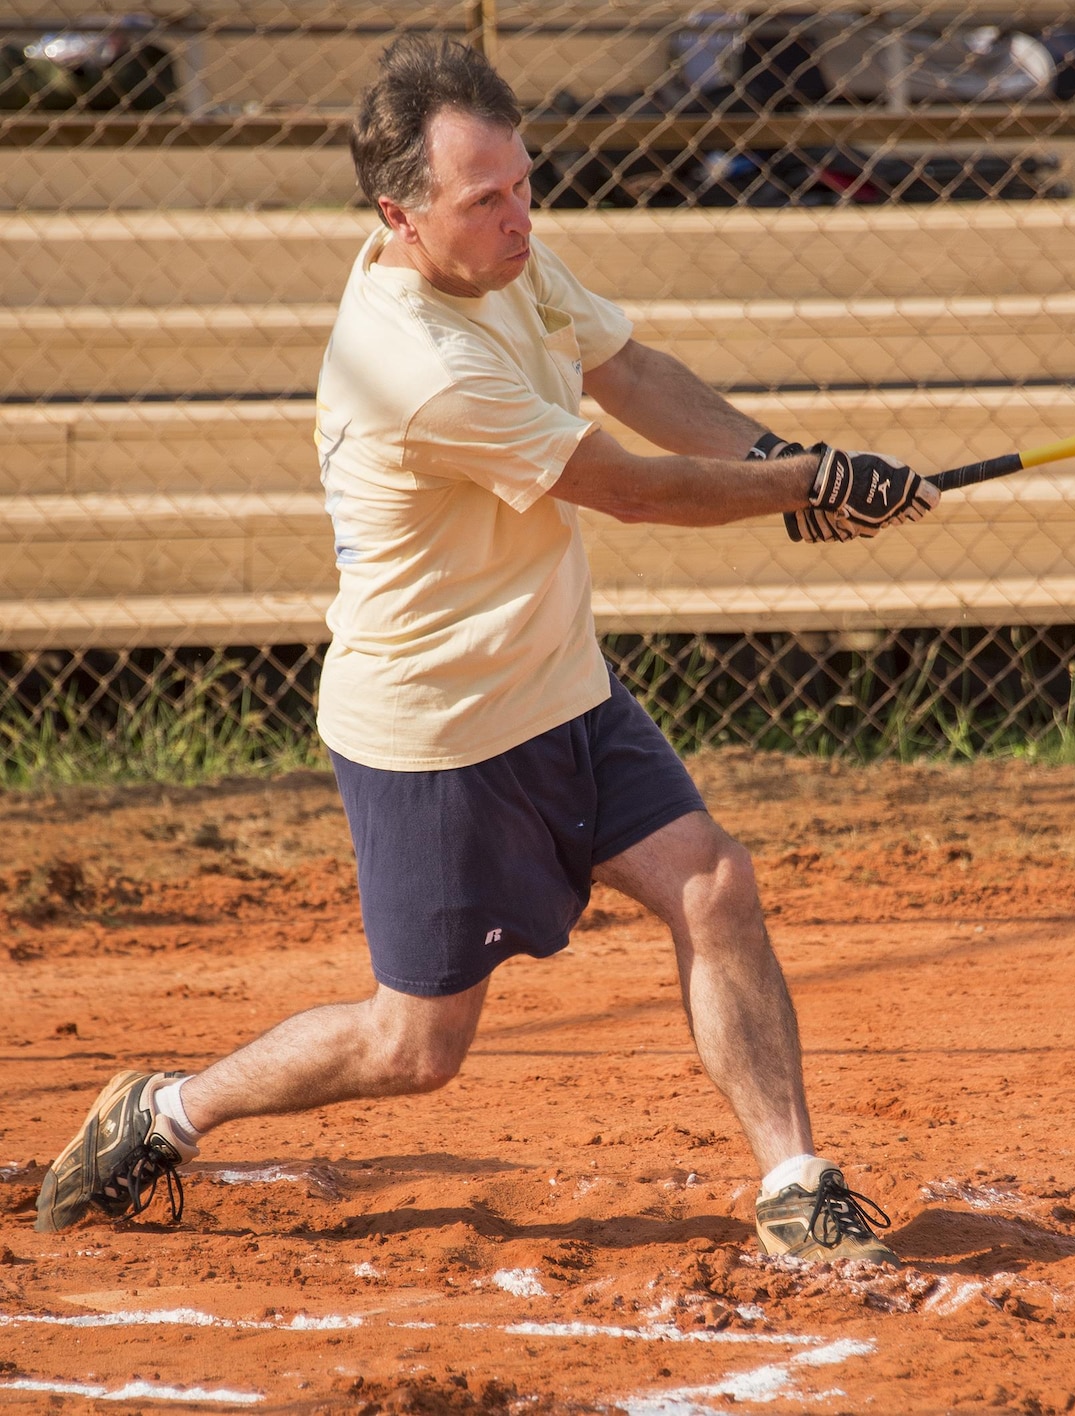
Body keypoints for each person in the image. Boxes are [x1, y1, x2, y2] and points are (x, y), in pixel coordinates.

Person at [35, 35, 931, 1265]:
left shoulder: (504, 258)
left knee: (714, 882)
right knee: (415, 1049)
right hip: (440, 733)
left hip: (563, 686)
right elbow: (627, 489)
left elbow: (630, 370)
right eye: (485, 200)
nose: (519, 216)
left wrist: (785, 462)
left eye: (524, 184)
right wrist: (794, 485)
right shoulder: (414, 364)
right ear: (399, 216)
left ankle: (793, 1179)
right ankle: (169, 1109)